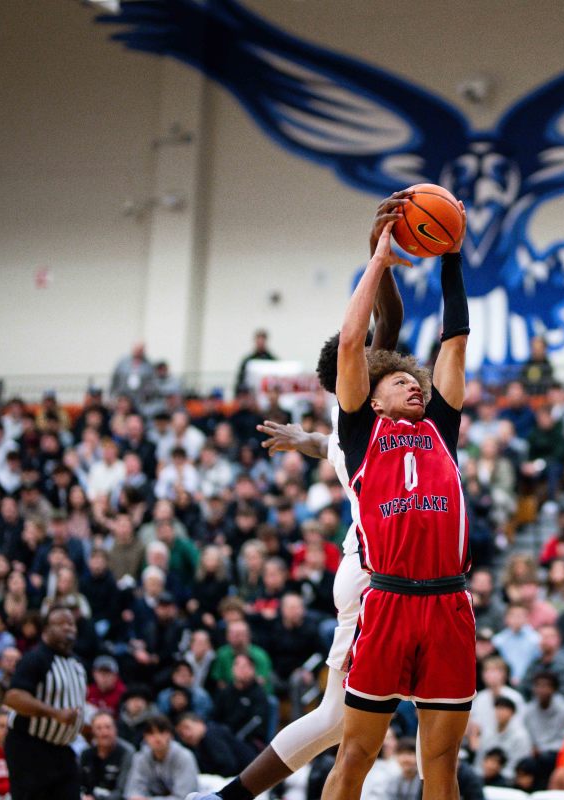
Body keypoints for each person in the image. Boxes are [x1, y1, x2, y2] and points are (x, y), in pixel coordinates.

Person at [197, 195, 411, 800]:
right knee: (346, 722)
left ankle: (228, 798)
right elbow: (384, 329)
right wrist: (378, 258)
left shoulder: (354, 422)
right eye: (377, 359)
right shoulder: (360, 407)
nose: (388, 357)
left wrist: (310, 441)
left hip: (381, 571)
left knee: (338, 722)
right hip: (373, 575)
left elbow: (381, 343)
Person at [316, 208, 474, 800]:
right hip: (386, 602)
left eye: (416, 379)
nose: (414, 382)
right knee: (355, 752)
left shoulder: (442, 427)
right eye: (399, 380)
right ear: (371, 396)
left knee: (442, 762)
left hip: (447, 605)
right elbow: (354, 340)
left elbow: (454, 338)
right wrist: (379, 259)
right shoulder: (359, 434)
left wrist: (452, 256)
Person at [3, 606, 87, 800]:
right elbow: (13, 697)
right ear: (46, 630)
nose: (69, 628)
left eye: (72, 623)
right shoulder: (35, 658)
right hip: (30, 747)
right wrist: (55, 714)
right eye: (62, 623)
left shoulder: (77, 663)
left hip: (63, 748)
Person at [124, 714, 200, 800]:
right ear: (145, 737)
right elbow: (132, 790)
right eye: (151, 733)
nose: (157, 737)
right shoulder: (140, 758)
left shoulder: (185, 757)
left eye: (161, 732)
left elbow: (184, 796)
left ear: (170, 735)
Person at [80, 711, 135, 800]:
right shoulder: (85, 754)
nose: (104, 733)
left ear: (116, 729)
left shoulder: (127, 752)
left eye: (108, 727)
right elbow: (79, 784)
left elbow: (123, 791)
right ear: (93, 731)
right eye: (99, 728)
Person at [234, 329, 276, 394]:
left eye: (262, 340)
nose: (260, 342)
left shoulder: (272, 360)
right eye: (259, 339)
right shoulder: (247, 361)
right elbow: (240, 380)